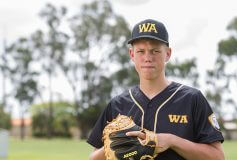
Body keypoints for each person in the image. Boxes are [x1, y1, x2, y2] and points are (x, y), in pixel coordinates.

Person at [87, 19, 225, 160]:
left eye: (155, 51)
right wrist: (114, 146)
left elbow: (218, 157)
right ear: (132, 55)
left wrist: (172, 141)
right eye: (141, 51)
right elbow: (93, 157)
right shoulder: (118, 104)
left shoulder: (192, 99)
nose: (147, 58)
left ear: (168, 54)